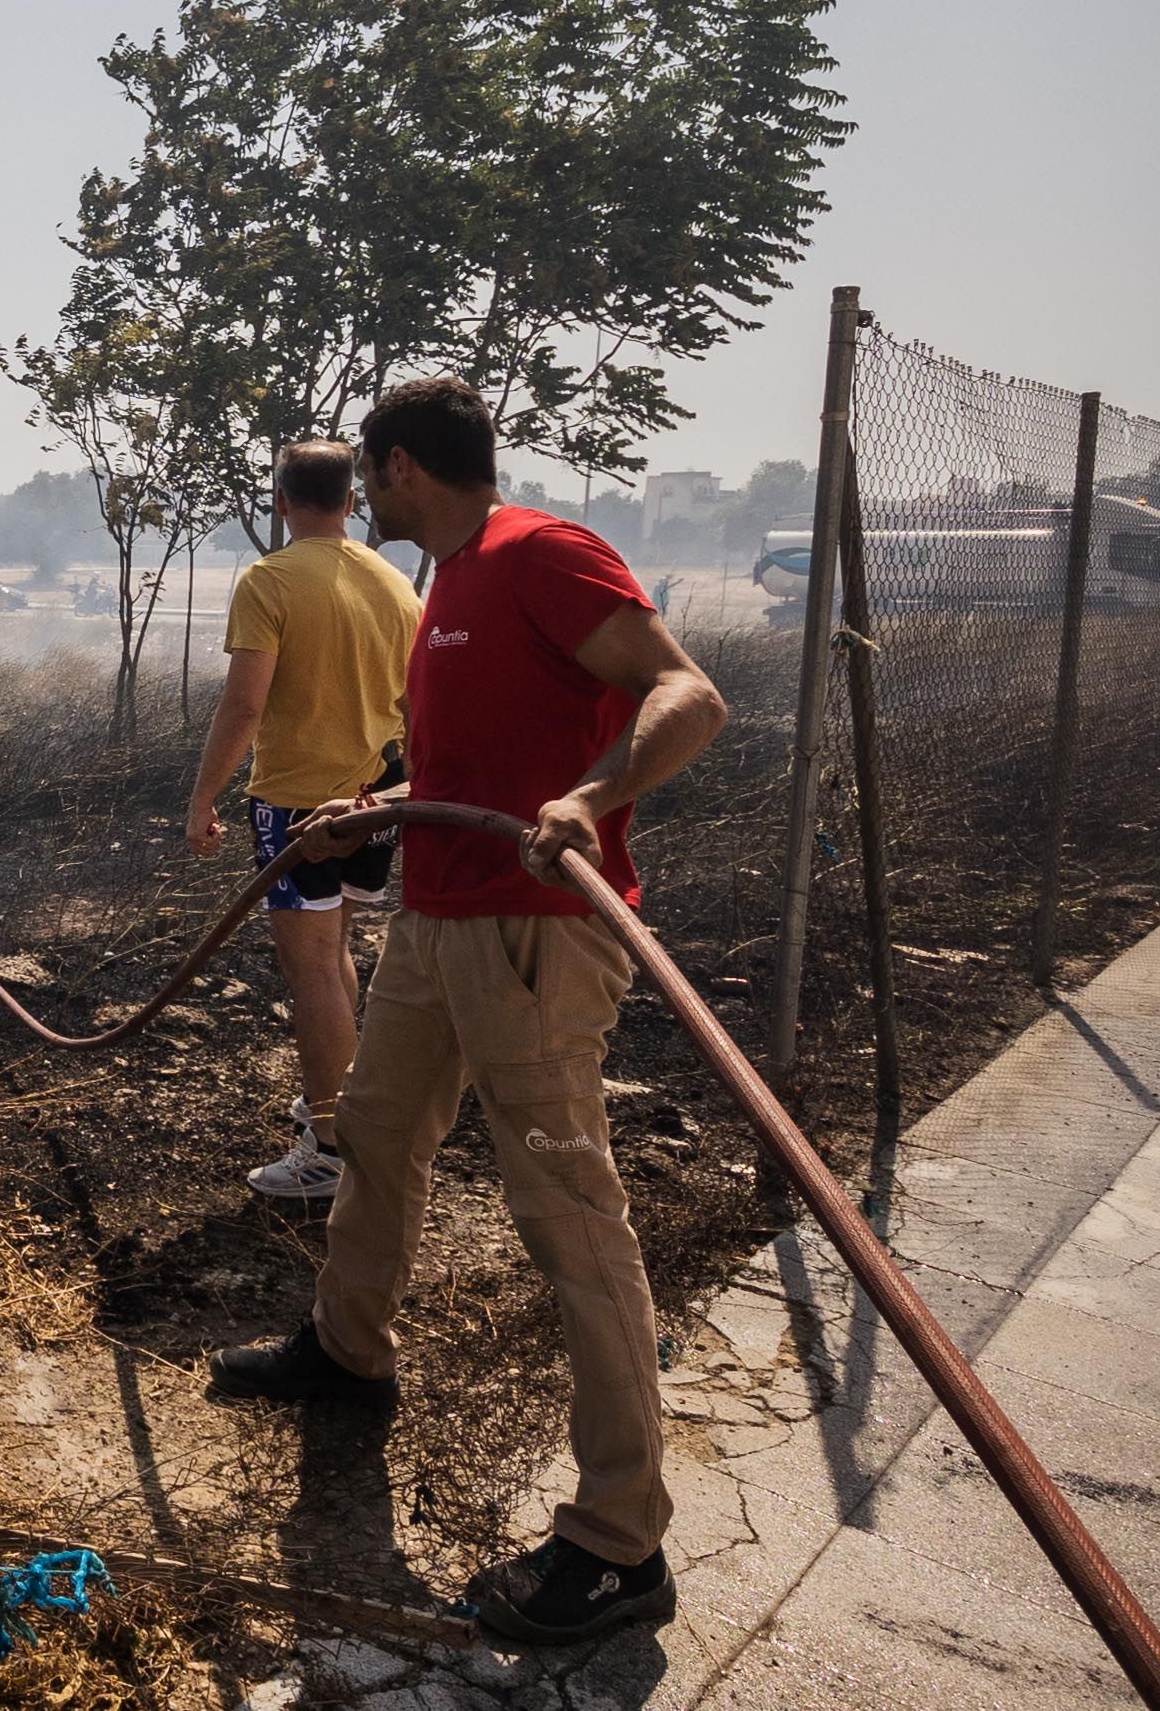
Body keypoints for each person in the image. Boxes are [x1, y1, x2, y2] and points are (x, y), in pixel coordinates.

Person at [207, 376, 727, 1651]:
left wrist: (588, 798)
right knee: (377, 1130)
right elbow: (472, 761)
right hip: (437, 921)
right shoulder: (442, 581)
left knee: (566, 1209)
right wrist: (380, 807)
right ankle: (348, 1348)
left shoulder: (538, 550)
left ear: (398, 466)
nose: (362, 491)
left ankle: (620, 1541)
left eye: (370, 471)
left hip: (532, 933)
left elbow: (687, 694)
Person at [181, 440, 418, 1202]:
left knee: (310, 965)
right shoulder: (394, 582)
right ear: (350, 502)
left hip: (297, 804)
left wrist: (201, 798)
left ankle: (330, 1149)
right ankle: (338, 1099)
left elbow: (243, 703)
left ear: (280, 500)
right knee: (334, 947)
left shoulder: (269, 579)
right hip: (378, 796)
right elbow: (415, 701)